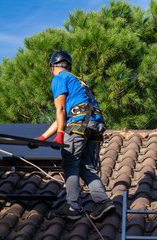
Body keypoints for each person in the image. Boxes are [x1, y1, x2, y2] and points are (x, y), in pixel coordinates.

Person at [38, 50, 115, 221]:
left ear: (52, 67)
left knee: (70, 164)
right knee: (86, 166)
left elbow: (61, 110)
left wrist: (59, 134)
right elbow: (66, 115)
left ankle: (72, 207)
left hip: (78, 124)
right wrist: (43, 137)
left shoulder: (59, 78)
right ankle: (103, 202)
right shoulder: (79, 81)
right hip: (95, 124)